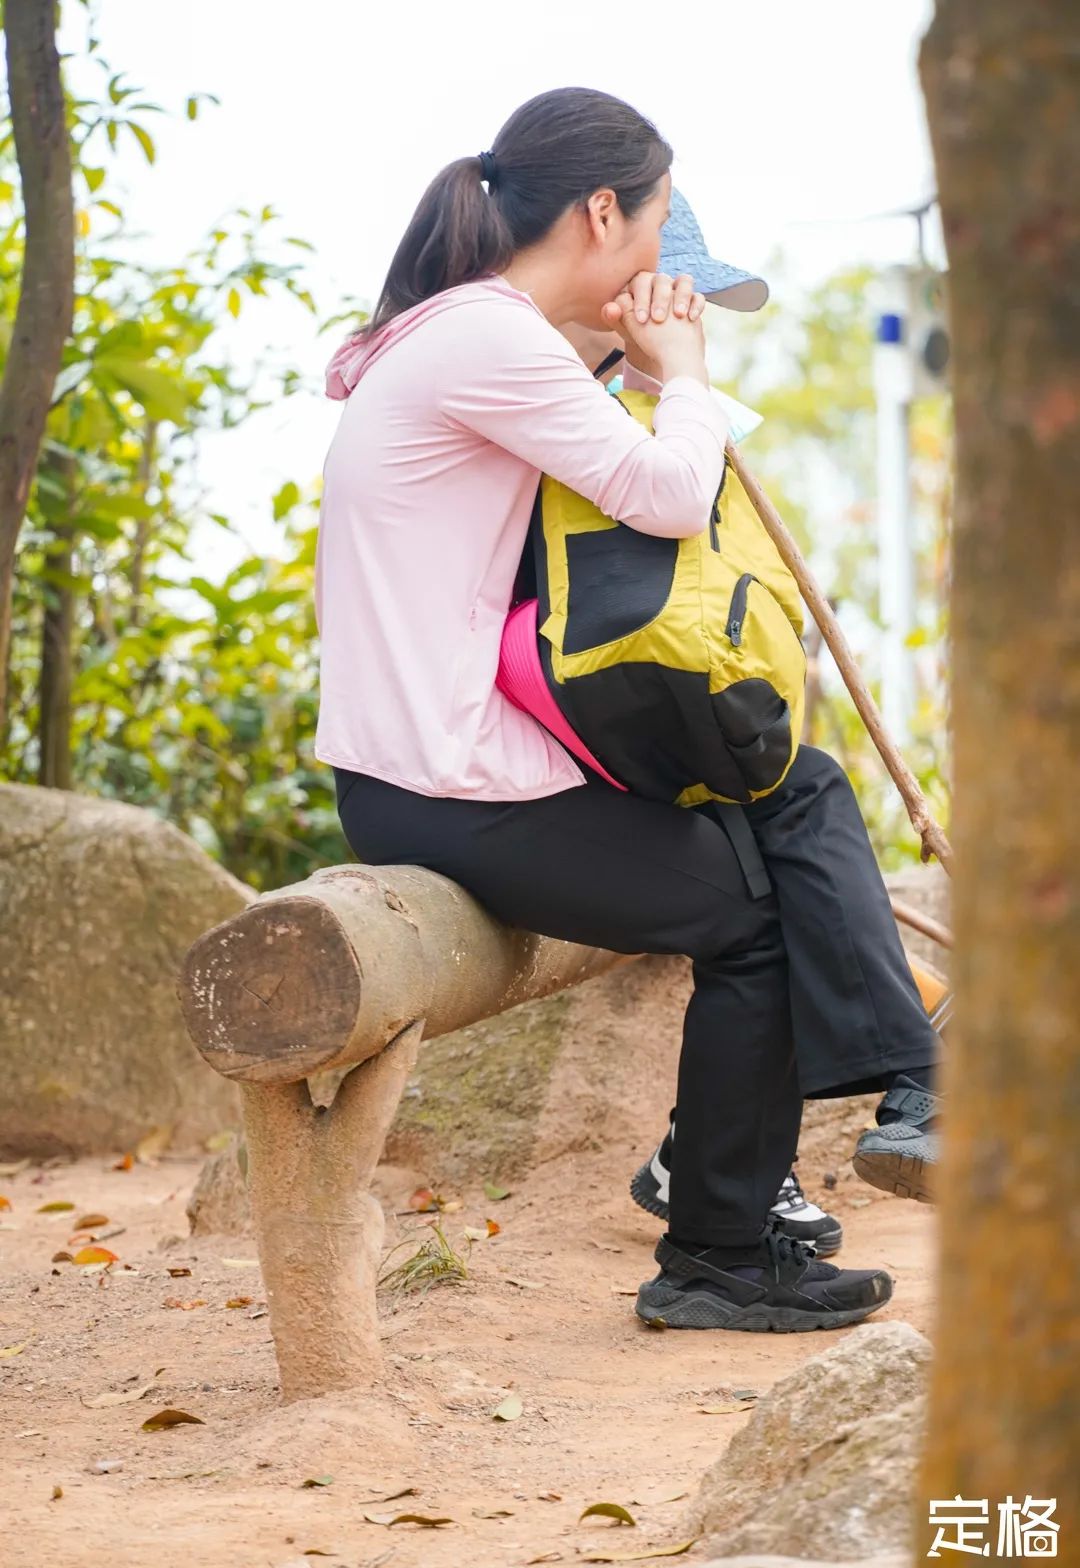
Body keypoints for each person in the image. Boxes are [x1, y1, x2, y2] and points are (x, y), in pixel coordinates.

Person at [317, 86, 904, 1332]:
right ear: (600, 213)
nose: (664, 259)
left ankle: (864, 1120)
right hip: (444, 782)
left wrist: (640, 362)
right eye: (660, 225)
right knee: (753, 918)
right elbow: (666, 495)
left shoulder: (469, 331)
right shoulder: (487, 338)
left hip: (452, 763)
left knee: (786, 795)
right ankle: (716, 1253)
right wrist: (682, 369)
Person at [532, 195, 941, 1250]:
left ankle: (719, 1151)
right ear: (620, 290)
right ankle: (905, 1090)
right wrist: (679, 388)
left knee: (795, 816)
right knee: (797, 816)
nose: (696, 318)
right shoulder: (560, 402)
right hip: (564, 742)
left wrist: (681, 391)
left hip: (641, 727)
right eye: (682, 295)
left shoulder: (645, 404)